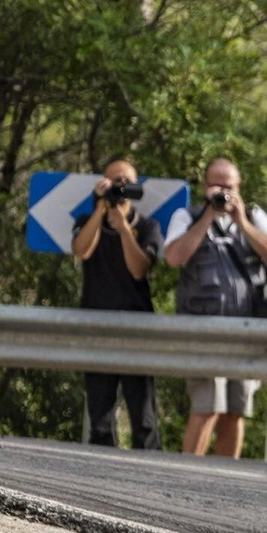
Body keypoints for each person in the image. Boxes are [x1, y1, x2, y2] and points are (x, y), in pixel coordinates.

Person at [163, 157, 267, 457]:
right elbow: (173, 257)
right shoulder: (187, 216)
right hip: (204, 333)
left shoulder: (254, 217)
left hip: (246, 332)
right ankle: (188, 474)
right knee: (207, 407)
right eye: (216, 185)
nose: (223, 192)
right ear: (205, 187)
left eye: (229, 186)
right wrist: (208, 215)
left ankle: (224, 478)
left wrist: (241, 221)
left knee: (235, 409)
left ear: (239, 187)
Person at [72, 157, 163, 450]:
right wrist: (100, 208)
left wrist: (124, 227)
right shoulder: (87, 222)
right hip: (96, 325)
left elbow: (139, 269)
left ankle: (148, 471)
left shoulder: (148, 226)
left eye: (126, 181)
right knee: (99, 416)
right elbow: (82, 251)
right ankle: (100, 476)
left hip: (137, 328)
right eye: (114, 181)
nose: (120, 186)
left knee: (144, 418)